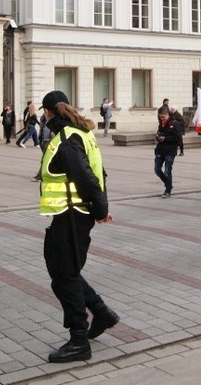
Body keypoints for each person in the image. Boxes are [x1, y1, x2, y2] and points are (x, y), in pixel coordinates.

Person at [37, 90, 117, 363]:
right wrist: (99, 208)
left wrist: (101, 210)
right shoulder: (79, 133)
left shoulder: (67, 138)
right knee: (62, 268)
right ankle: (101, 311)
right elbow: (98, 172)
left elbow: (86, 177)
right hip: (69, 213)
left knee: (64, 276)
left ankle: (79, 340)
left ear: (48, 112)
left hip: (72, 213)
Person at [154, 106, 182, 198]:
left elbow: (177, 138)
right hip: (160, 149)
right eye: (160, 117)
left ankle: (168, 189)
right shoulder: (161, 124)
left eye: (163, 117)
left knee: (167, 171)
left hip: (170, 150)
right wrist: (158, 136)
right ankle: (168, 183)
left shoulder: (174, 123)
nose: (161, 119)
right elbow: (160, 132)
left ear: (168, 114)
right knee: (157, 169)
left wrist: (165, 138)